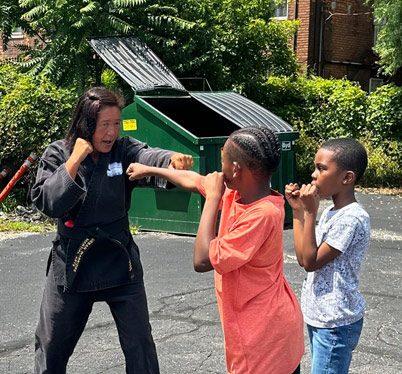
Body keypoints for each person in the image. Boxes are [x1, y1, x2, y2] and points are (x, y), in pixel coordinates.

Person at [30, 87, 193, 374]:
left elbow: (147, 155)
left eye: (116, 124)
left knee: (140, 342)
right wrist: (74, 161)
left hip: (119, 260)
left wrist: (171, 160)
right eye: (104, 124)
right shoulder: (59, 152)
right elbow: (47, 201)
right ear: (86, 124)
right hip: (73, 263)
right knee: (52, 343)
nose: (111, 132)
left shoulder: (123, 149)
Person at [126, 126, 304, 374]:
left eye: (222, 162)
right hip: (264, 326)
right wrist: (150, 169)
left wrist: (211, 199)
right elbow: (195, 181)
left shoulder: (262, 215)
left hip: (262, 338)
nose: (219, 171)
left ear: (235, 169)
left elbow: (202, 260)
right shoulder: (240, 193)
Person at [284, 138, 370, 374]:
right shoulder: (332, 212)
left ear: (346, 178)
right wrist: (299, 211)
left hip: (335, 321)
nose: (313, 175)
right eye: (315, 167)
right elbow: (303, 258)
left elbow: (312, 262)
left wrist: (311, 212)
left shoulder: (351, 218)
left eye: (322, 169)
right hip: (319, 316)